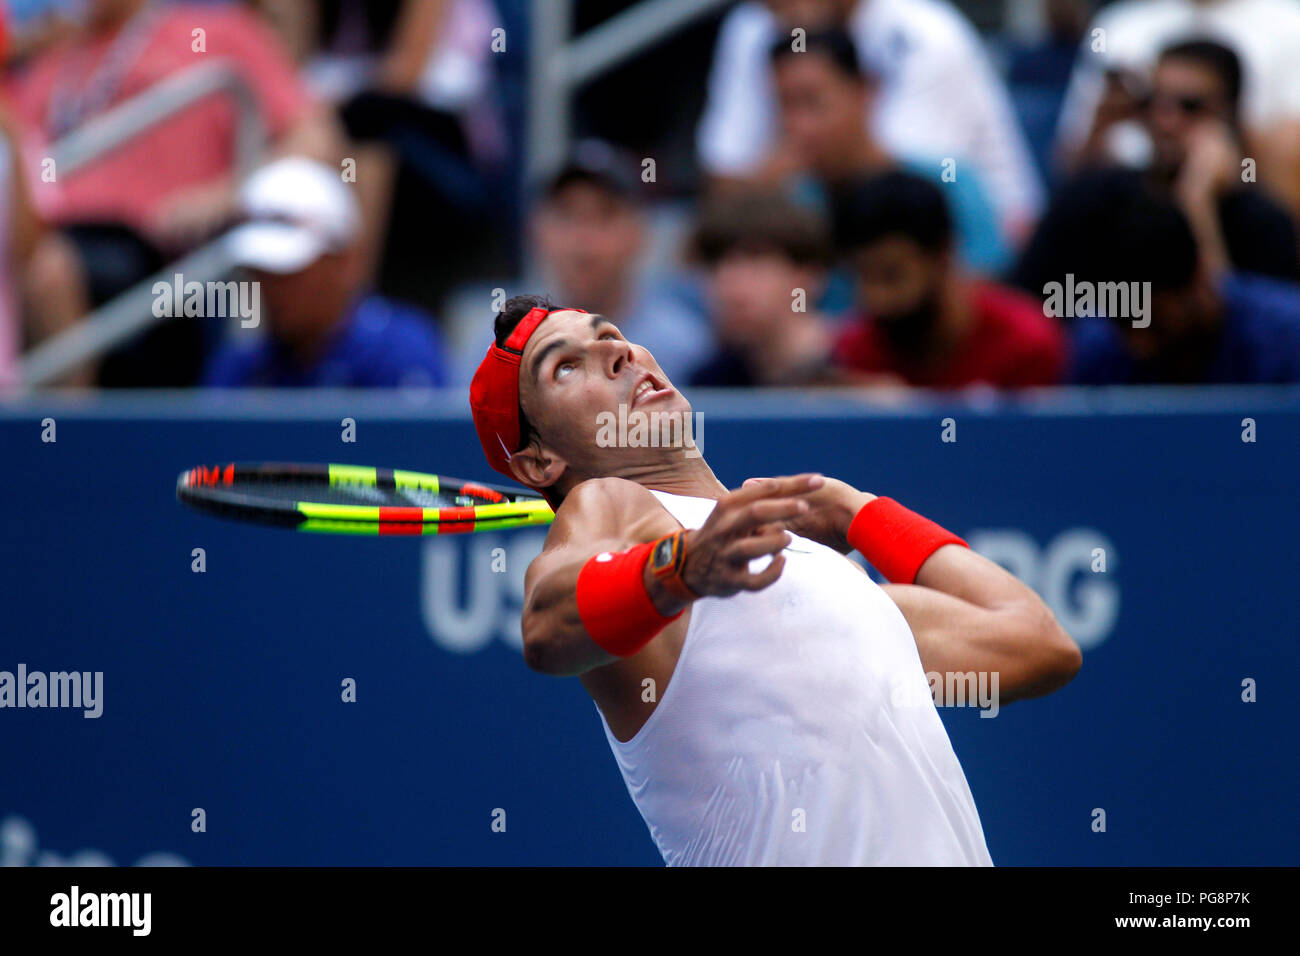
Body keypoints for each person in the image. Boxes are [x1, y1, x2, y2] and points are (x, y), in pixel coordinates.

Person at [466, 293, 1082, 866]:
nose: (616, 352)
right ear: (540, 462)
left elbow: (1039, 641)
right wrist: (679, 569)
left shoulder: (833, 585)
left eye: (611, 335)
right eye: (565, 368)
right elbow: (548, 626)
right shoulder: (612, 507)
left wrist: (859, 512)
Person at [10, 0, 344, 385]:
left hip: (159, 261)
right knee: (42, 264)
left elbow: (316, 138)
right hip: (42, 240)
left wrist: (229, 193)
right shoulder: (52, 57)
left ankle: (59, 433)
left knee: (50, 270)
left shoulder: (217, 33)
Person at [697, 0, 1044, 240]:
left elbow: (887, 182)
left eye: (811, 102)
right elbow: (721, 191)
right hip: (831, 236)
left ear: (866, 90)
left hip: (992, 237)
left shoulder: (927, 32)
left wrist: (769, 179)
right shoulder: (754, 25)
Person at [1017, 38, 1300, 294]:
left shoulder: (1261, 221)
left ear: (1229, 114)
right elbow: (1034, 305)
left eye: (1190, 106)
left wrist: (1197, 203)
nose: (1165, 120)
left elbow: (1245, 333)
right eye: (1152, 101)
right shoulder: (1098, 195)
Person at [768, 26, 1010, 276]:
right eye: (783, 105)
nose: (798, 125)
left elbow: (986, 286)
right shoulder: (790, 203)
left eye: (813, 101)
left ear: (864, 91)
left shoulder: (951, 182)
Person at [203, 157, 447, 388]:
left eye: (289, 272)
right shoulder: (239, 367)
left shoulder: (403, 353)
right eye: (260, 272)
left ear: (345, 261)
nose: (271, 289)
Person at [833, 171, 1065, 388]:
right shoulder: (852, 354)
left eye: (891, 275)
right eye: (861, 275)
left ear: (942, 255)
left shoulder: (1027, 345)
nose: (876, 297)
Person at [1067, 193, 1300, 384]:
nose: (1140, 345)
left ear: (1199, 279)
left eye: (1154, 321)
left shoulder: (1288, 337)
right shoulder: (1097, 345)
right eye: (1123, 322)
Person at [686, 190, 840, 387]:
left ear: (807, 276)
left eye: (755, 261)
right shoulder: (708, 381)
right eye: (715, 266)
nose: (729, 288)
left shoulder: (863, 366)